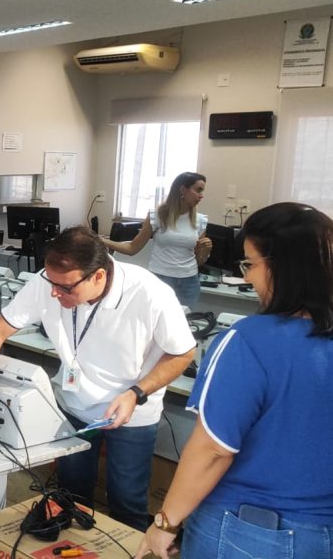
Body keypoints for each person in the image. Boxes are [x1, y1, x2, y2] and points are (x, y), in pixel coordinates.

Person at [0, 226, 195, 531]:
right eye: (51, 282)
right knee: (70, 495)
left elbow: (182, 354)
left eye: (65, 288)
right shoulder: (48, 282)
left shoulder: (150, 293)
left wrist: (137, 392)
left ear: (98, 275)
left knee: (127, 500)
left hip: (131, 412)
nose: (54, 293)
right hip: (74, 406)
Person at [136, 203, 333, 558]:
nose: (246, 279)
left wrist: (165, 522)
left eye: (250, 264)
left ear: (283, 266)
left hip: (251, 530)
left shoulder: (248, 340)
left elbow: (213, 450)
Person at [104, 172, 212, 307]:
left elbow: (199, 261)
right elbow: (132, 248)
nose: (201, 196)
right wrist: (101, 240)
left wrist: (206, 251)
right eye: (198, 190)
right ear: (183, 190)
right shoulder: (157, 216)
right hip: (161, 278)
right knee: (156, 318)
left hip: (189, 282)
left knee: (186, 318)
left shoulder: (200, 220)